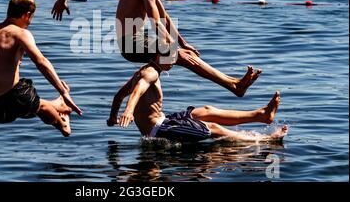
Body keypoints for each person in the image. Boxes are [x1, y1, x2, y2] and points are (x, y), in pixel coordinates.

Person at [116, 0, 262, 97]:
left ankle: (233, 82)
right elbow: (156, 22)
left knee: (188, 53)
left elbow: (164, 18)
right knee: (183, 56)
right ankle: (234, 86)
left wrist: (183, 43)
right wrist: (173, 46)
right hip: (130, 45)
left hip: (141, 39)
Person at [0, 0, 82, 137]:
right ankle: (62, 124)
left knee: (33, 103)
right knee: (34, 102)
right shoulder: (21, 33)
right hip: (11, 101)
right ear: (27, 15)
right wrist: (63, 91)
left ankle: (58, 105)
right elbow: (41, 62)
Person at [107, 62, 288, 142]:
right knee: (213, 128)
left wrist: (112, 118)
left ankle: (261, 115)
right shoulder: (151, 73)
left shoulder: (144, 70)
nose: (174, 62)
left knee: (205, 111)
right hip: (159, 130)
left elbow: (119, 95)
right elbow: (138, 89)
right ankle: (264, 140)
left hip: (164, 120)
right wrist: (128, 111)